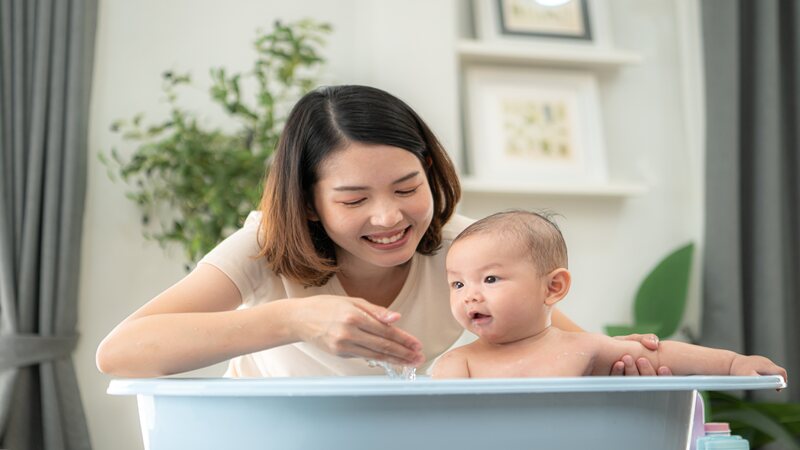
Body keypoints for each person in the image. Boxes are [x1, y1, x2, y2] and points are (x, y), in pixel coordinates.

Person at [96, 85, 668, 378]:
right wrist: (295, 318)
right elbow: (119, 354)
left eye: (405, 187)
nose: (390, 217)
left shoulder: (463, 246)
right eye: (353, 199)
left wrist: (628, 360)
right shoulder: (265, 245)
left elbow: (561, 345)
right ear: (311, 205)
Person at [431, 210, 788, 381]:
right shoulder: (457, 365)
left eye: (490, 279)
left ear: (553, 287)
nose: (469, 296)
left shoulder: (584, 348)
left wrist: (732, 364)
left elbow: (662, 352)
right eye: (457, 284)